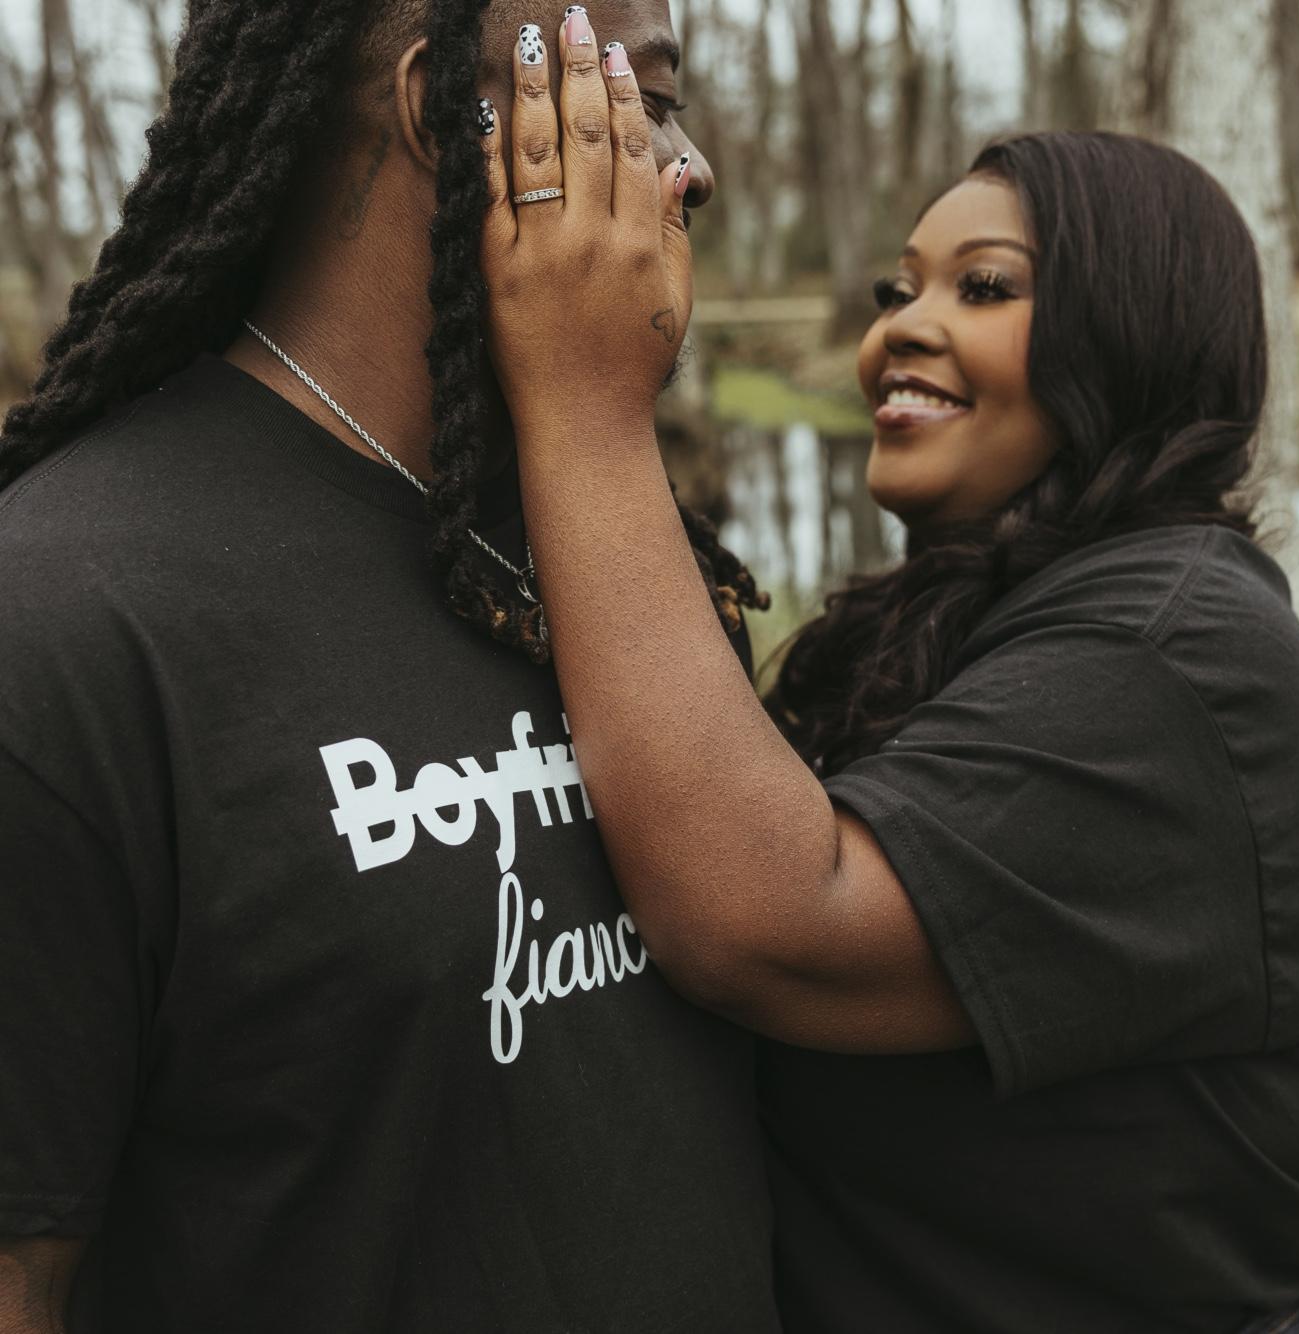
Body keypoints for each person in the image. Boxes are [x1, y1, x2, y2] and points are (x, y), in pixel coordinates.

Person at [475, 40, 1299, 1334]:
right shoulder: (964, 621)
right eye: (897, 289)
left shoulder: (1178, 656)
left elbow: (769, 920)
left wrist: (585, 397)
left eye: (983, 286)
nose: (897, 333)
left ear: (1138, 327)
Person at [0, 3, 780, 1331]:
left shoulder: (621, 558)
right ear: (440, 111)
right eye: (645, 102)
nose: (687, 167)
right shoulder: (66, 617)